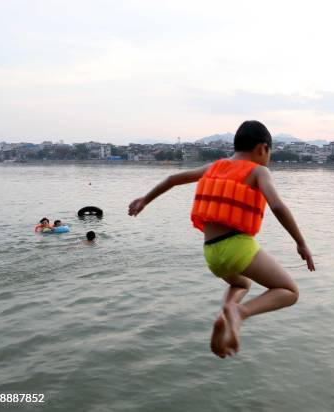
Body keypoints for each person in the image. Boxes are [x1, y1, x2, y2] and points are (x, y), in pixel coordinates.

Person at [128, 120, 315, 358]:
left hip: (212, 253)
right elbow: (277, 205)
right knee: (289, 291)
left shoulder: (213, 167)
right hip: (237, 246)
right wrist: (300, 242)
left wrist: (145, 199)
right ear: (262, 149)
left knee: (241, 284)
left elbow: (173, 179)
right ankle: (241, 313)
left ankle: (225, 317)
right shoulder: (259, 171)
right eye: (270, 154)